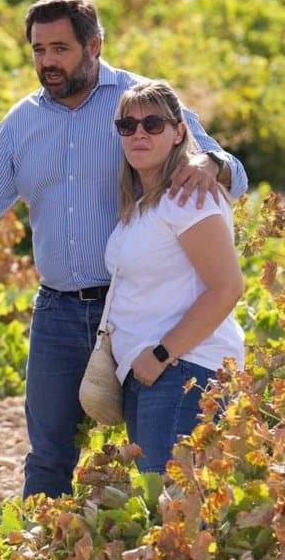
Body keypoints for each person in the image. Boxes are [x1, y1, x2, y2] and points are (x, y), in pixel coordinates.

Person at [0, 0, 248, 499]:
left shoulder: (138, 103)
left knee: (150, 454)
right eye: (38, 50)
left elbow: (229, 172)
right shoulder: (22, 123)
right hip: (59, 313)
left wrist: (210, 162)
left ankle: (137, 556)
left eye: (60, 48)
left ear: (93, 46)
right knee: (48, 454)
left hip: (133, 312)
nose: (47, 61)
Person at [104, 80, 244, 473]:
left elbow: (227, 287)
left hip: (182, 371)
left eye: (152, 124)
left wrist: (161, 355)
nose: (139, 134)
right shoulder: (147, 203)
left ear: (179, 131)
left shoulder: (189, 197)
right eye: (127, 126)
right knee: (163, 507)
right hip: (152, 374)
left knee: (178, 513)